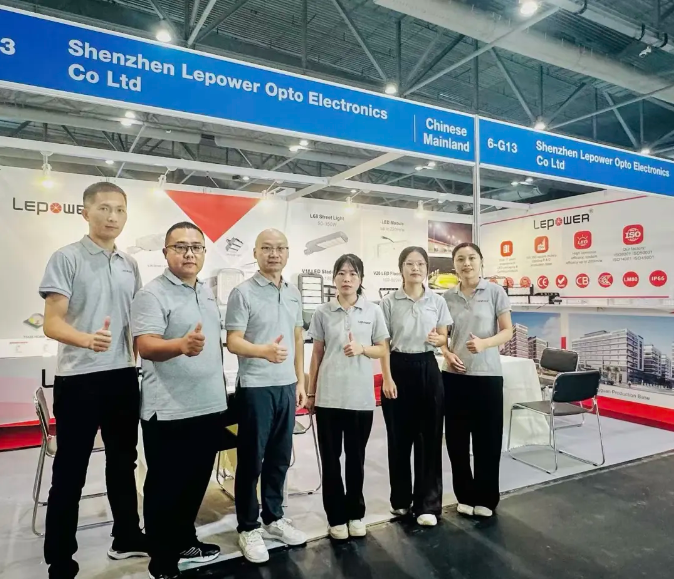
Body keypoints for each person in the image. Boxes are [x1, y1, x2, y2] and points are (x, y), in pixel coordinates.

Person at [39, 182, 146, 579]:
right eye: (104, 208)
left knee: (123, 461)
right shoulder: (66, 258)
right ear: (85, 213)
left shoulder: (129, 264)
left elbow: (135, 322)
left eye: (119, 209)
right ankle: (60, 558)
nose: (112, 216)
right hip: (79, 378)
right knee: (71, 468)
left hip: (122, 376)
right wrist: (87, 339)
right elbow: (52, 323)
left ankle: (127, 536)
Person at [131, 222, 227, 579]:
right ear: (166, 253)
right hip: (169, 410)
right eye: (180, 247)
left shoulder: (204, 291)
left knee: (195, 484)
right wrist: (180, 346)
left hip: (208, 406)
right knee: (164, 489)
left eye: (196, 247)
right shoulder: (152, 294)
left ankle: (185, 541)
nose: (189, 253)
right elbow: (146, 346)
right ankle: (162, 560)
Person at [225, 229, 307, 564]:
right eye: (267, 248)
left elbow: (298, 338)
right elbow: (233, 340)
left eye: (280, 248)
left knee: (279, 458)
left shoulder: (293, 293)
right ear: (256, 253)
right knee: (251, 460)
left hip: (286, 386)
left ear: (287, 252)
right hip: (256, 387)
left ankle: (274, 518)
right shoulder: (242, 292)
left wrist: (299, 381)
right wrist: (263, 352)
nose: (274, 254)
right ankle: (248, 526)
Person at [306, 254, 388, 540]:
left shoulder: (373, 311)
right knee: (331, 460)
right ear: (334, 278)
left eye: (353, 274)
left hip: (360, 399)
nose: (346, 279)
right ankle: (336, 517)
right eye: (341, 273)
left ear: (360, 279)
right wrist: (311, 392)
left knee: (356, 459)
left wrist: (363, 349)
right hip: (328, 398)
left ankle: (355, 514)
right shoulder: (322, 312)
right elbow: (316, 354)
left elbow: (382, 349)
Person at [379, 247, 452, 527]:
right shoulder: (388, 302)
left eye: (421, 264)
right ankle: (400, 499)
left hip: (427, 367)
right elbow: (383, 344)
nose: (415, 268)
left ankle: (427, 505)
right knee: (398, 437)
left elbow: (444, 336)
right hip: (397, 367)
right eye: (409, 264)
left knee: (429, 438)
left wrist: (439, 341)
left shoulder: (437, 301)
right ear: (401, 268)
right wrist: (386, 377)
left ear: (427, 269)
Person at [442, 242, 513, 518]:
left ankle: (486, 497)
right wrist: (446, 353)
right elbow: (442, 337)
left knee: (488, 439)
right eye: (460, 259)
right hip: (454, 377)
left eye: (471, 258)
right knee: (457, 441)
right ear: (454, 265)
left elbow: (507, 331)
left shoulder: (495, 292)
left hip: (487, 376)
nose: (466, 263)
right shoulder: (446, 297)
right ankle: (465, 495)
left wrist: (485, 343)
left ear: (481, 261)